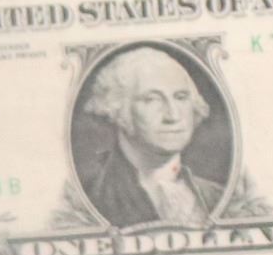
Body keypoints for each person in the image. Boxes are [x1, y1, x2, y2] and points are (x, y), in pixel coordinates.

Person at [79, 45, 224, 228]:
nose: (173, 116)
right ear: (117, 108)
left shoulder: (219, 196)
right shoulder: (88, 201)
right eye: (151, 99)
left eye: (180, 97)